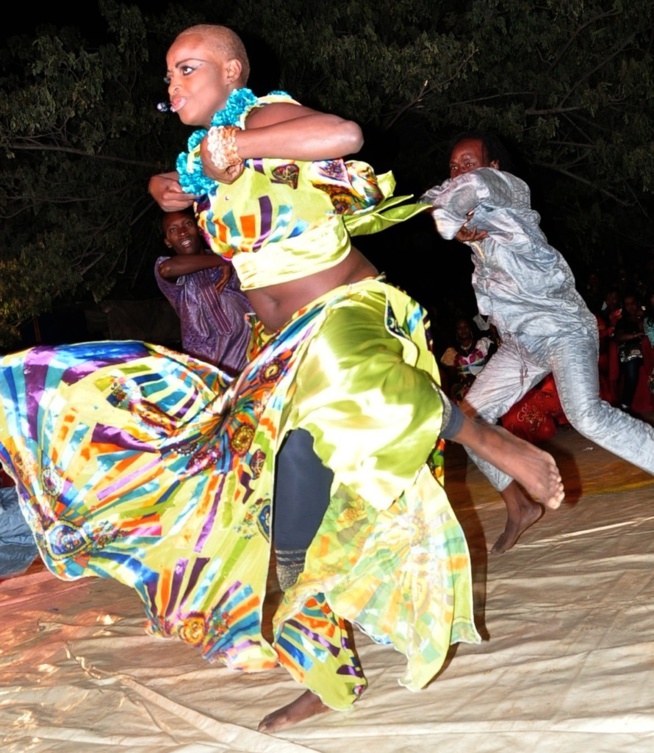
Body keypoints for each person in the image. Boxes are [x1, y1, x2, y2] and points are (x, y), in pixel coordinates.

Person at [0, 31, 563, 734]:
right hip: (278, 349)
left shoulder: (262, 115)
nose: (173, 84)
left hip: (348, 313)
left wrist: (237, 146)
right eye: (168, 74)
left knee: (348, 382)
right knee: (286, 517)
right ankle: (326, 672)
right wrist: (171, 185)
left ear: (232, 71)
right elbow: (205, 198)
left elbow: (344, 134)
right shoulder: (203, 155)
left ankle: (486, 435)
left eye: (188, 68)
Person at [422, 132, 654, 554]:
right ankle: (518, 505)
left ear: (492, 167)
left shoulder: (508, 191)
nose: (459, 172)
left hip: (563, 329)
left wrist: (451, 221)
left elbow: (461, 194)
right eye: (453, 166)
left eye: (468, 162)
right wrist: (452, 223)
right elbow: (434, 198)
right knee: (467, 422)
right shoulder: (473, 217)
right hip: (521, 345)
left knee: (587, 415)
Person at [155, 209, 252, 373]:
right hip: (208, 363)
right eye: (173, 230)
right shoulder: (171, 271)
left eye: (188, 224)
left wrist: (227, 259)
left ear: (199, 229)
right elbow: (168, 269)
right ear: (168, 242)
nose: (183, 232)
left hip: (251, 348)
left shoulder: (229, 255)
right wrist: (223, 261)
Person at [440, 317, 495, 402]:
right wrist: (465, 381)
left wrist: (477, 378)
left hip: (487, 384)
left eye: (465, 326)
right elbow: (453, 378)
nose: (463, 330)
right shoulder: (452, 353)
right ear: (456, 332)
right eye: (459, 328)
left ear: (470, 328)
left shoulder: (482, 344)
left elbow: (492, 364)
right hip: (467, 392)